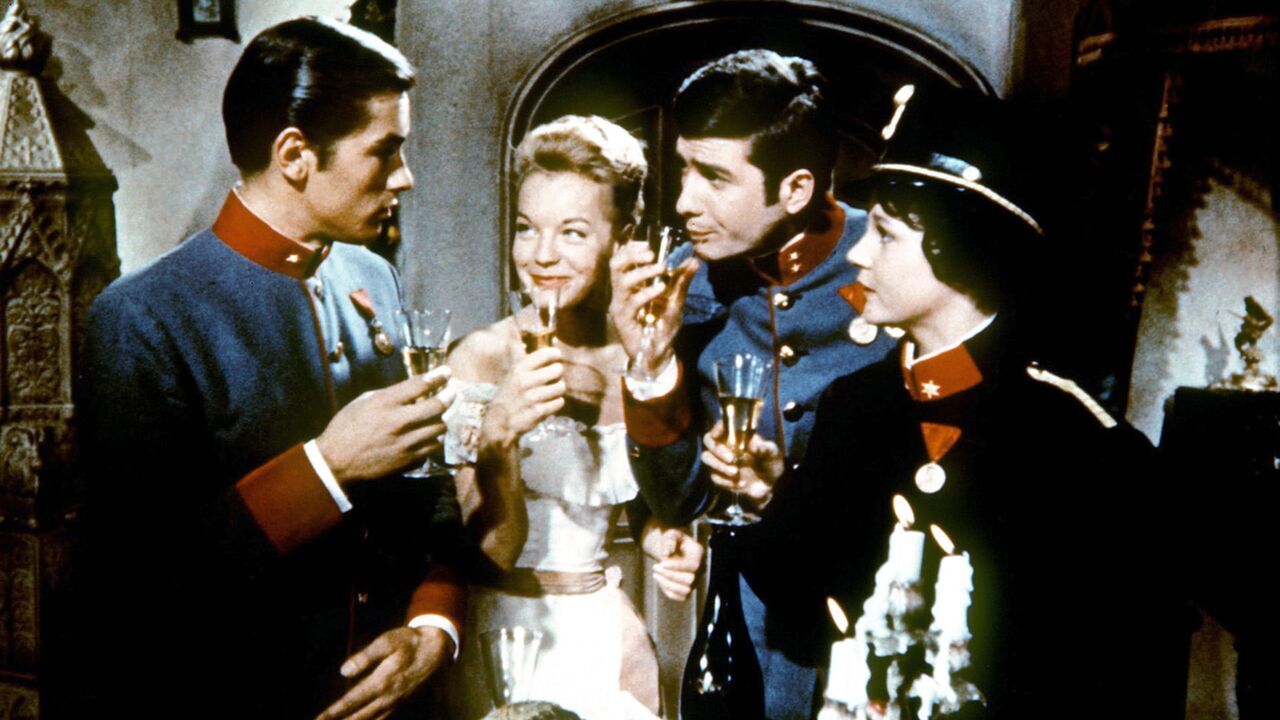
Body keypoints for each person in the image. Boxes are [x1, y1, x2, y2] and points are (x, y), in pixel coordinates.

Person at [709, 89, 1190, 718]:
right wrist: (769, 496)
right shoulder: (856, 405)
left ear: (959, 246)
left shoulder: (1081, 445)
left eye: (885, 234)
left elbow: (1127, 676)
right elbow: (804, 613)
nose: (857, 253)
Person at [63, 17, 466, 719]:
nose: (405, 177)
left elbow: (427, 493)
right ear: (295, 155)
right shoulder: (141, 318)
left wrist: (434, 625)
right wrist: (328, 468)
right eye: (385, 151)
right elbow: (136, 587)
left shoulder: (373, 276)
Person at [608, 49, 894, 717]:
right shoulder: (685, 282)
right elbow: (679, 499)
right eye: (684, 168)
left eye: (714, 177)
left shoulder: (887, 261)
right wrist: (649, 364)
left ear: (795, 189)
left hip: (875, 623)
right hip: (749, 637)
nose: (685, 202)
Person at [441, 115, 703, 719]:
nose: (542, 256)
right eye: (526, 229)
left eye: (573, 233)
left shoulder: (638, 355)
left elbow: (632, 496)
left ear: (624, 237)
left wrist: (659, 537)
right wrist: (499, 432)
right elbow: (482, 552)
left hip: (607, 635)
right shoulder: (483, 357)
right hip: (506, 636)